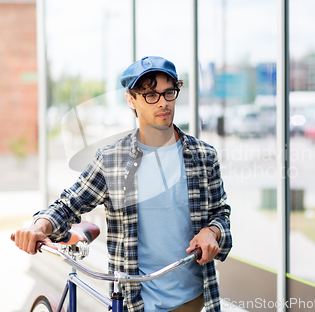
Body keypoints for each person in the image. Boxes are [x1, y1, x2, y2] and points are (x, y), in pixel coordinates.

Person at [14, 56, 232, 312]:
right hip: (134, 303)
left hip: (194, 301)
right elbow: (67, 205)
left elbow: (220, 214)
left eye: (169, 92)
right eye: (150, 94)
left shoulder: (203, 156)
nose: (163, 102)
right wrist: (39, 227)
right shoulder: (111, 161)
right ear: (131, 100)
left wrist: (213, 231)